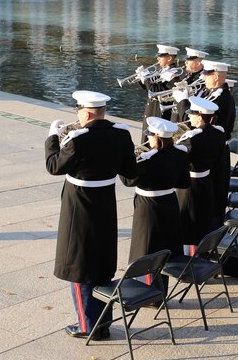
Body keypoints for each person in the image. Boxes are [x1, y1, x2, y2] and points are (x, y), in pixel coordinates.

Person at [45, 90, 137, 340]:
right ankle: (103, 322)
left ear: (86, 114)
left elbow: (53, 165)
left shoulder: (78, 139)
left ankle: (87, 325)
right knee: (101, 261)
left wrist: (52, 137)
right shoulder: (122, 135)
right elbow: (130, 173)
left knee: (79, 265)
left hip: (79, 208)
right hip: (106, 204)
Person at [123, 116, 190, 291]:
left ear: (158, 138)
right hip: (170, 203)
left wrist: (125, 160)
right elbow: (184, 183)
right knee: (165, 247)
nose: (148, 138)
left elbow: (128, 180)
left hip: (149, 207)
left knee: (147, 248)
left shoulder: (147, 159)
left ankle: (149, 293)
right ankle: (161, 291)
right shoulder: (181, 154)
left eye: (150, 135)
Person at [177, 96, 226, 254]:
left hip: (190, 186)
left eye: (192, 113)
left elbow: (178, 161)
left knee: (188, 220)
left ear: (199, 117)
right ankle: (202, 251)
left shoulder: (191, 138)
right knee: (202, 217)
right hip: (207, 182)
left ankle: (188, 255)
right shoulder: (219, 133)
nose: (189, 116)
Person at [136, 44, 181, 140]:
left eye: (161, 56)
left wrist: (146, 78)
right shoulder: (162, 71)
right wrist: (141, 79)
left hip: (159, 113)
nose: (158, 59)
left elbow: (156, 91)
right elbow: (149, 89)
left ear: (169, 58)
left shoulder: (173, 75)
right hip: (152, 109)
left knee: (154, 141)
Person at [202, 60, 235, 140]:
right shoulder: (215, 93)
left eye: (207, 75)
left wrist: (183, 102)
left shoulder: (219, 96)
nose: (204, 78)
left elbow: (202, 121)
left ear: (216, 77)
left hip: (213, 140)